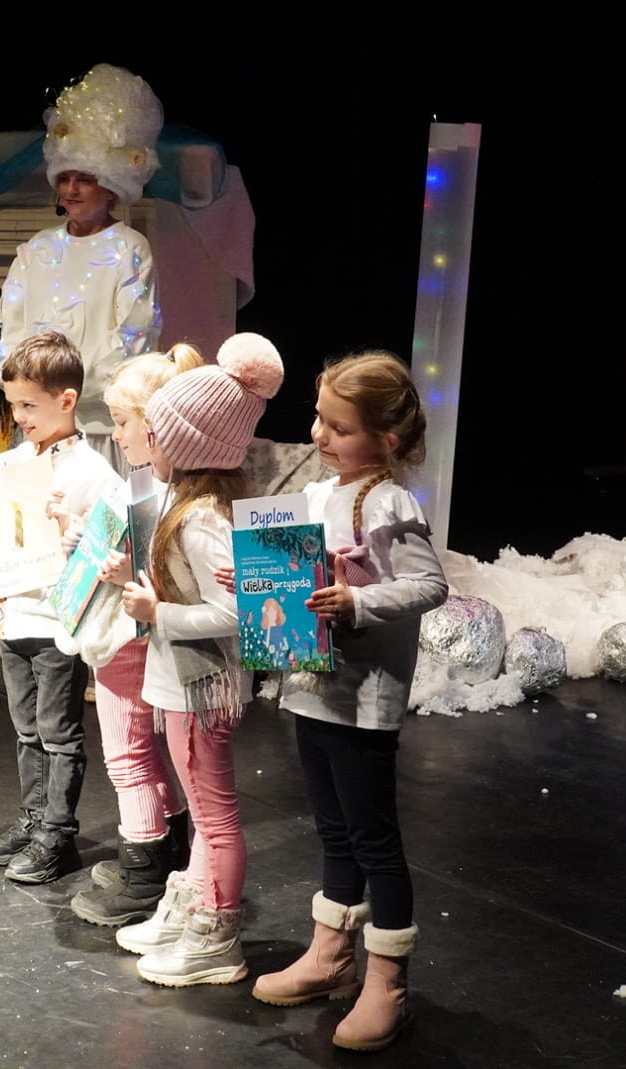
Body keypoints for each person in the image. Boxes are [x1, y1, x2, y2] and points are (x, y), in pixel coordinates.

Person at [247, 351, 448, 1052]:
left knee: (373, 838)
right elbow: (293, 570)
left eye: (338, 427)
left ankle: (388, 982)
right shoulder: (317, 495)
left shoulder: (388, 502)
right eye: (319, 419)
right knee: (333, 830)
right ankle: (331, 955)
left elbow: (429, 585)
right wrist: (253, 574)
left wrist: (358, 601)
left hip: (363, 698)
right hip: (312, 687)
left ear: (386, 438)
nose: (319, 435)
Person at [110, 333, 284, 987]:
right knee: (204, 810)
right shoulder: (187, 509)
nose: (147, 444)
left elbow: (238, 613)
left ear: (187, 444)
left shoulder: (200, 518)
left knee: (213, 814)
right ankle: (191, 909)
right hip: (186, 685)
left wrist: (160, 613)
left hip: (202, 686)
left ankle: (216, 931)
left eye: (156, 434)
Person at [0, 331, 118, 883]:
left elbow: (107, 543)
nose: (19, 417)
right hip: (16, 613)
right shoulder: (14, 463)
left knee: (58, 731)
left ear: (66, 400)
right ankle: (32, 820)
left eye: (28, 405)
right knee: (26, 728)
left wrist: (70, 525)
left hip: (58, 621)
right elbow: (9, 530)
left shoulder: (93, 472)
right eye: (13, 406)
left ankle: (58, 833)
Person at [66, 344, 205, 927]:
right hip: (130, 633)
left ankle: (142, 871)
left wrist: (123, 571)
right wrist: (81, 534)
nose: (116, 435)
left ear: (155, 425)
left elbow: (165, 575)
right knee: (142, 751)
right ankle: (164, 850)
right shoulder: (147, 485)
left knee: (128, 755)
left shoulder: (162, 496)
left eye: (122, 422)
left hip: (129, 638)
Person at [0, 63, 163, 474]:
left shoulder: (129, 249)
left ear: (110, 185)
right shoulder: (36, 251)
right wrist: (33, 393)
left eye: (84, 179)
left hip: (101, 430)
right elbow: (11, 334)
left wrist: (61, 389)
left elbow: (133, 341)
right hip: (40, 428)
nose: (70, 190)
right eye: (64, 178)